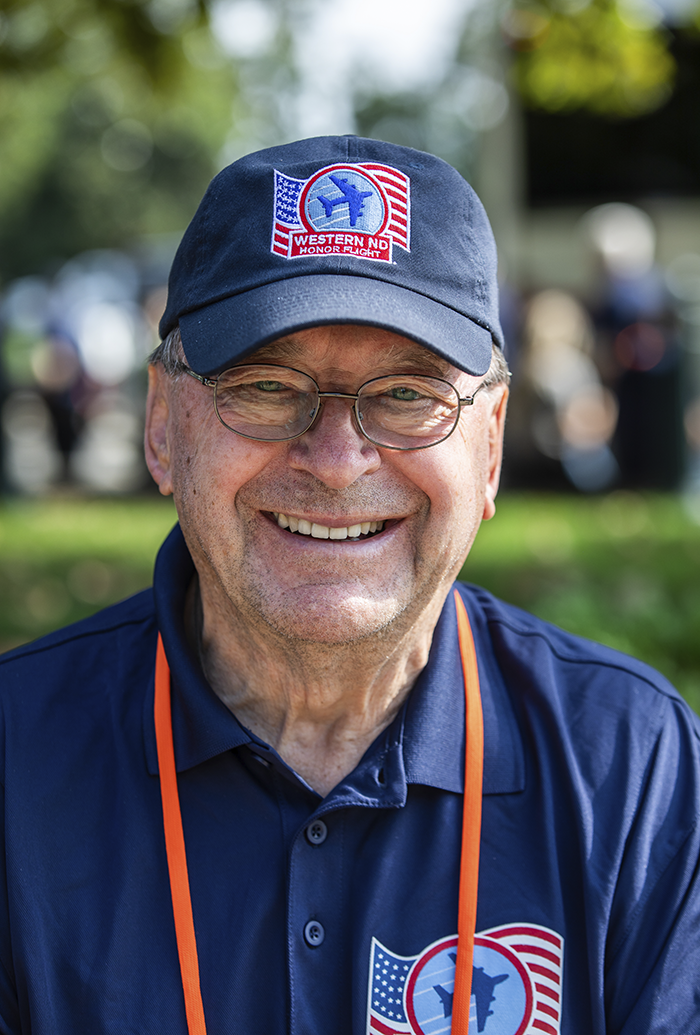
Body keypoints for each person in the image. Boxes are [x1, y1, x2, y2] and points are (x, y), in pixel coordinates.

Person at [0, 136, 699, 1035]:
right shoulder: (16, 758)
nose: (336, 463)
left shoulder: (633, 770)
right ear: (164, 425)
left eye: (408, 395)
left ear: (488, 447)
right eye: (263, 384)